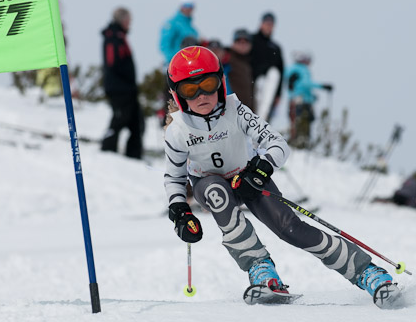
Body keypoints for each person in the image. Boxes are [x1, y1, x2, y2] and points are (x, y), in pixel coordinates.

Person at [163, 46, 400, 307]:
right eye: (190, 89)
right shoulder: (177, 132)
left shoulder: (235, 110)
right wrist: (180, 212)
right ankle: (260, 269)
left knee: (291, 228)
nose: (201, 95)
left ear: (221, 83)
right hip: (209, 184)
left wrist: (260, 170)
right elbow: (174, 177)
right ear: (178, 94)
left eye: (208, 84)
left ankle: (367, 272)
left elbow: (277, 144)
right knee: (216, 192)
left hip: (248, 177)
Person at [100, 7, 145, 159]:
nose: (130, 23)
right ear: (122, 20)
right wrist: (126, 80)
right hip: (119, 89)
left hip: (127, 88)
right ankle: (107, 149)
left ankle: (134, 154)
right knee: (120, 119)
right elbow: (113, 63)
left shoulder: (119, 36)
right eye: (128, 20)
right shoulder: (113, 37)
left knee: (136, 122)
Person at [285, 51, 332, 148]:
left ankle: (294, 142)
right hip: (302, 101)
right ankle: (301, 145)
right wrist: (322, 86)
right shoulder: (303, 69)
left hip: (293, 100)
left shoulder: (289, 69)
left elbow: (295, 85)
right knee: (303, 123)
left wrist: (312, 97)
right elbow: (306, 84)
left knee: (294, 122)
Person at [250, 12, 284, 123]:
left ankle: (262, 123)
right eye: (266, 23)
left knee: (274, 74)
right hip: (254, 82)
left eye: (271, 24)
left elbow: (281, 70)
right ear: (261, 24)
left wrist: (278, 94)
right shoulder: (252, 40)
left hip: (269, 85)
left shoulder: (275, 47)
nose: (268, 27)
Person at [159, 0, 198, 66]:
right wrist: (173, 61)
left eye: (191, 6)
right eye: (186, 5)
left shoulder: (192, 28)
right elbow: (164, 45)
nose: (188, 8)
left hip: (190, 64)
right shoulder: (172, 24)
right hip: (176, 64)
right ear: (181, 6)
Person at [226, 29, 255, 111]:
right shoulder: (228, 58)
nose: (242, 45)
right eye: (239, 41)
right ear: (233, 43)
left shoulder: (248, 62)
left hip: (246, 111)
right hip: (231, 109)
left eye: (245, 41)